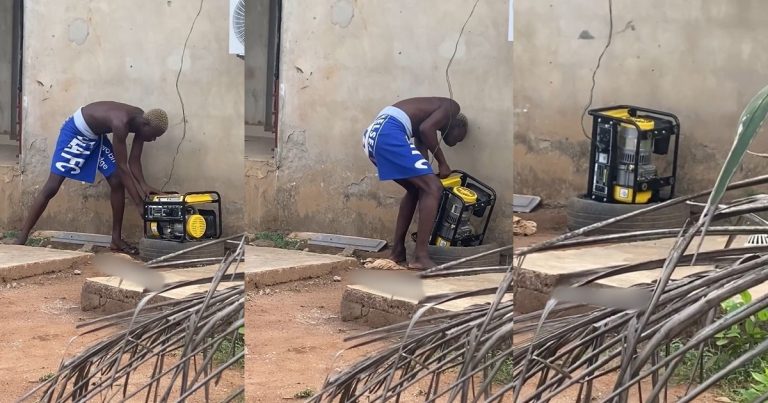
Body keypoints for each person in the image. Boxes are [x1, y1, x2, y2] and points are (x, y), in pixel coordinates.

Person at [11, 101, 169, 254]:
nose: (154, 139)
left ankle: (116, 240)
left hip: (96, 135)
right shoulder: (121, 123)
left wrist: (144, 185)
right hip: (76, 132)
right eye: (154, 136)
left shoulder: (142, 121)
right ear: (145, 125)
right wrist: (139, 203)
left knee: (116, 181)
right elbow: (123, 166)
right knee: (52, 186)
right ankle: (22, 236)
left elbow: (133, 161)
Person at [362, 97, 468, 269]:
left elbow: (422, 144)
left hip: (372, 138)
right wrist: (443, 162)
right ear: (458, 125)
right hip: (387, 133)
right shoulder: (452, 107)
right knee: (434, 188)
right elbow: (427, 130)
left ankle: (397, 250)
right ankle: (421, 257)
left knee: (417, 188)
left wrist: (426, 176)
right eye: (459, 138)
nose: (456, 142)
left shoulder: (424, 118)